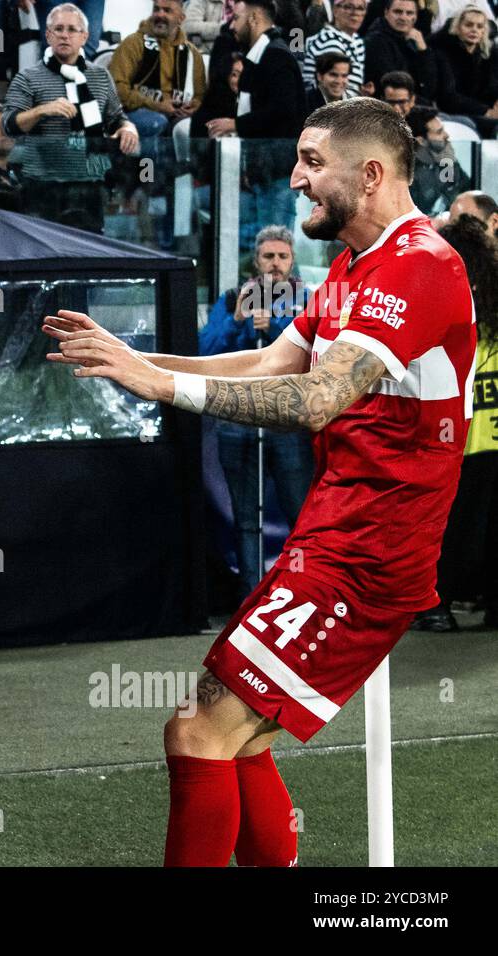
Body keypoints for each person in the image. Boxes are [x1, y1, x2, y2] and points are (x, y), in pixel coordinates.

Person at [46, 96, 475, 866]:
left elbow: (314, 400)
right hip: (333, 535)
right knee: (238, 741)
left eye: (314, 163)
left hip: (371, 554)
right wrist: (141, 362)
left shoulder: (420, 266)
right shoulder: (353, 266)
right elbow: (274, 363)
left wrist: (162, 389)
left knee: (197, 727)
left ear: (371, 174)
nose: (297, 180)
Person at [198, 225, 314, 597]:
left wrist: (277, 325)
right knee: (246, 519)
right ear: (256, 260)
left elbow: (317, 351)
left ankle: (299, 592)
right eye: (269, 257)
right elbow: (205, 352)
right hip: (239, 423)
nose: (276, 264)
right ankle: (250, 597)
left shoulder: (307, 299)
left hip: (287, 420)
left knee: (301, 515)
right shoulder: (233, 298)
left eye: (282, 256)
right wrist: (237, 321)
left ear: (292, 260)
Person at [415, 213, 498, 629]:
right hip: (467, 441)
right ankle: (440, 604)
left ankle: (436, 606)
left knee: (449, 530)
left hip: (461, 442)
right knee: (457, 530)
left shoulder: (447, 308)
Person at [3, 3, 140, 232]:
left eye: (72, 29)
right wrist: (42, 110)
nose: (65, 35)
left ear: (85, 36)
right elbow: (8, 124)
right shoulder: (28, 77)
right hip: (44, 184)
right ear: (48, 35)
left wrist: (127, 128)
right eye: (58, 29)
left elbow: (116, 117)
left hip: (90, 184)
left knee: (90, 255)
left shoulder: (100, 76)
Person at [206, 0, 307, 250]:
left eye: (236, 18)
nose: (232, 26)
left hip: (278, 171)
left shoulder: (275, 55)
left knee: (276, 251)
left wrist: (235, 124)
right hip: (265, 170)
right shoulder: (260, 56)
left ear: (253, 19)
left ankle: (289, 292)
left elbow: (285, 110)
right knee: (269, 250)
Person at [108, 0, 207, 142]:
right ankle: (147, 165)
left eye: (167, 11)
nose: (160, 15)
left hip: (177, 116)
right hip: (134, 113)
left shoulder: (192, 53)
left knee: (200, 126)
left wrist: (194, 106)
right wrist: (157, 105)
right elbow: (115, 90)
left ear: (181, 19)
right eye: (156, 9)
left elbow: (200, 96)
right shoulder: (132, 43)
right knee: (154, 122)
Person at [431, 5, 498, 139]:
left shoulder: (490, 55)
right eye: (469, 25)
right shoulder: (443, 53)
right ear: (458, 27)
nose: (474, 30)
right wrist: (486, 111)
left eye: (479, 26)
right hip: (455, 114)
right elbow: (448, 97)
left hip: (485, 113)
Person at [364, 0, 438, 98]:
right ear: (386, 13)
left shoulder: (415, 40)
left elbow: (431, 87)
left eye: (409, 13)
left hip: (414, 102)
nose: (403, 18)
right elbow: (392, 86)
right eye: (398, 12)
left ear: (415, 17)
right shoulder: (375, 41)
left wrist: (423, 51)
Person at [407, 105, 473, 213]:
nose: (446, 135)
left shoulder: (444, 160)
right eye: (439, 132)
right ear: (421, 140)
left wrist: (449, 165)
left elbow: (466, 191)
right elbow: (430, 208)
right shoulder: (410, 173)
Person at [302, 0, 367, 93]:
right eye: (348, 7)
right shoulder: (330, 40)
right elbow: (335, 92)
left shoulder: (357, 40)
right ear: (335, 10)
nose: (355, 13)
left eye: (360, 8)